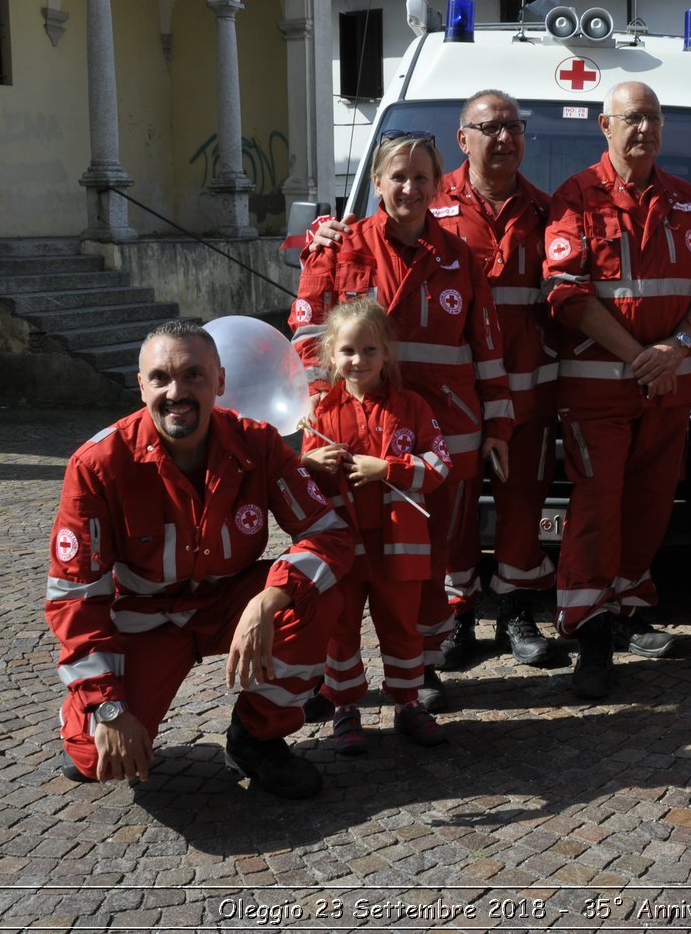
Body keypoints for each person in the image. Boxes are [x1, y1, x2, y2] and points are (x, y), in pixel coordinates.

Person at [44, 320, 353, 799]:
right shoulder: (97, 464)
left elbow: (327, 533)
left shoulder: (259, 443)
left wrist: (270, 598)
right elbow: (74, 600)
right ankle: (88, 727)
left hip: (229, 603)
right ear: (140, 384)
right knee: (95, 757)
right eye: (162, 378)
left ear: (221, 382)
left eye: (194, 376)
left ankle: (256, 739)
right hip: (145, 620)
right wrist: (106, 709)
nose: (177, 392)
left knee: (315, 593)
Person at [290, 133, 512, 714]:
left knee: (427, 562)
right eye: (398, 176)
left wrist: (498, 425)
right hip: (349, 434)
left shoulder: (460, 257)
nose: (409, 188)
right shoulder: (338, 248)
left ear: (438, 184)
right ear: (378, 183)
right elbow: (308, 337)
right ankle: (329, 679)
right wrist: (318, 417)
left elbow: (487, 345)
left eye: (421, 177)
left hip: (442, 430)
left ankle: (422, 670)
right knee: (336, 554)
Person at [542, 80, 691, 699]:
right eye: (632, 118)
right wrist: (641, 357)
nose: (644, 129)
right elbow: (565, 294)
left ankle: (626, 608)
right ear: (606, 125)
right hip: (600, 393)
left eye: (652, 117)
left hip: (667, 391)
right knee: (597, 508)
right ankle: (589, 631)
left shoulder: (686, 200)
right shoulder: (576, 197)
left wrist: (677, 346)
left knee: (650, 505)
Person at [427, 90, 558, 670]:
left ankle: (515, 613)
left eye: (514, 127)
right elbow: (369, 242)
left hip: (527, 392)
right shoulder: (426, 202)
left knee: (522, 505)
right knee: (452, 509)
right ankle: (456, 618)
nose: (505, 138)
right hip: (451, 398)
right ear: (464, 139)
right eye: (491, 127)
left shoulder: (546, 210)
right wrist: (329, 232)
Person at [302, 299, 451, 753]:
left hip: (399, 544)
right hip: (343, 544)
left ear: (386, 352)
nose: (358, 360)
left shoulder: (412, 406)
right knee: (339, 626)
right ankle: (345, 708)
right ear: (331, 355)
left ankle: (408, 703)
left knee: (402, 626)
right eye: (348, 351)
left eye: (369, 350)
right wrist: (309, 460)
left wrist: (388, 468)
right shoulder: (319, 412)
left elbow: (441, 464)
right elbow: (299, 481)